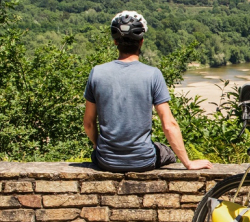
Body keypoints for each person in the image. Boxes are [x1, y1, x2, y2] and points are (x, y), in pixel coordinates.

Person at [83, 11, 212, 172]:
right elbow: (169, 124)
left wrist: (98, 145)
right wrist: (188, 163)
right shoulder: (153, 74)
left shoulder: (97, 72)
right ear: (141, 42)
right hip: (142, 161)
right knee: (167, 152)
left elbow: (88, 123)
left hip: (106, 160)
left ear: (115, 42)